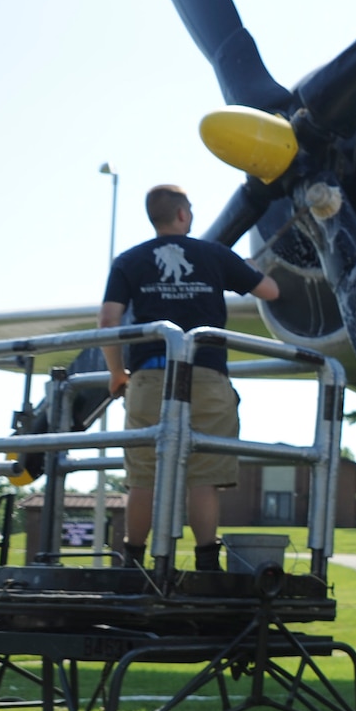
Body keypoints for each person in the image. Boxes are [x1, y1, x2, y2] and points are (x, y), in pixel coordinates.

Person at [99, 185, 280, 571]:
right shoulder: (215, 255)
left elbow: (108, 320)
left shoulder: (128, 261)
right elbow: (269, 290)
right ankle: (206, 561)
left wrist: (117, 373)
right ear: (183, 215)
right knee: (205, 476)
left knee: (143, 476)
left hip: (148, 378)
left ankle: (132, 560)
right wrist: (245, 267)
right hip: (206, 374)